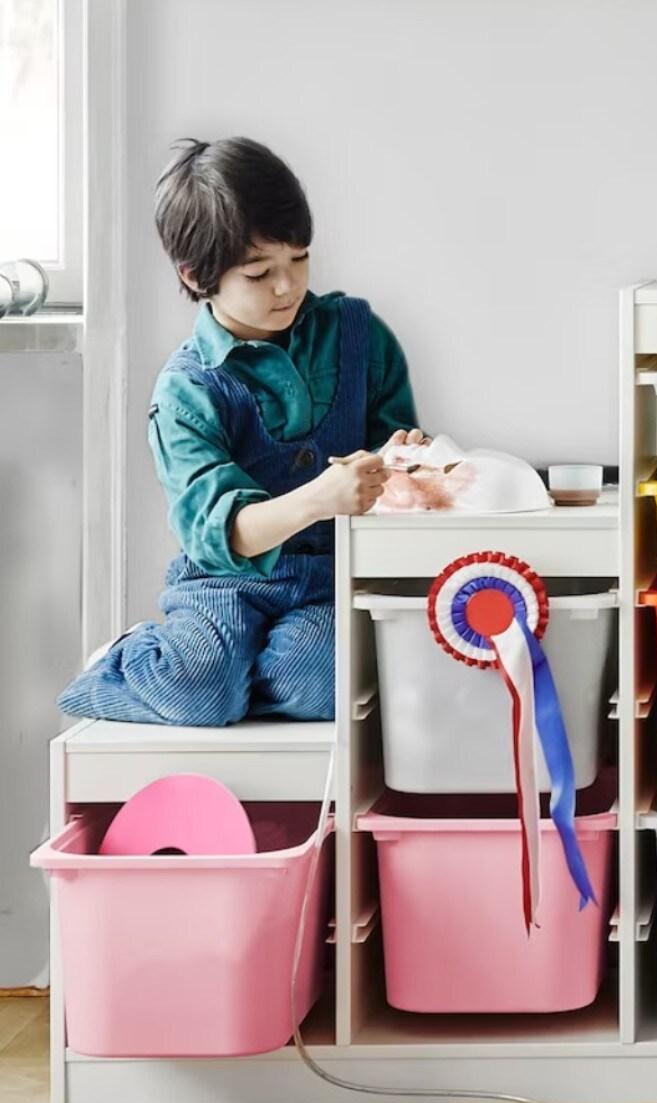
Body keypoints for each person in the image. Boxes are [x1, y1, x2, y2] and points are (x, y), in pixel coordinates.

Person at [59, 137, 425, 725]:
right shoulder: (187, 391)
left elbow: (400, 455)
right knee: (201, 689)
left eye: (299, 259)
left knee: (320, 685)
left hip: (331, 578)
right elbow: (225, 533)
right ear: (197, 275)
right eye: (259, 273)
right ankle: (131, 665)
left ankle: (230, 676)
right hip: (224, 583)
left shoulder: (359, 336)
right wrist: (320, 498)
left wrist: (408, 463)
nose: (287, 286)